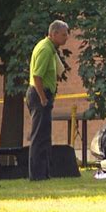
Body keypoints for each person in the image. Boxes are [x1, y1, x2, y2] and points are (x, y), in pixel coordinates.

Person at [26, 20, 69, 181]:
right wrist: (43, 98)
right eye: (63, 35)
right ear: (54, 33)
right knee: (38, 136)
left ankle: (44, 173)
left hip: (43, 94)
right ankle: (36, 175)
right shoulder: (45, 49)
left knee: (45, 136)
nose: (66, 38)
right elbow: (37, 76)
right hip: (39, 95)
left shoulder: (51, 49)